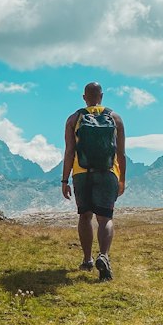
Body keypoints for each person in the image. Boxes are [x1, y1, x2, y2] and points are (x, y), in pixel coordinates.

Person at [61, 83, 125, 281]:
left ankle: (87, 259)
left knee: (85, 216)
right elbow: (121, 153)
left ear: (84, 97)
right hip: (107, 172)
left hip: (81, 173)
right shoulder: (115, 118)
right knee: (105, 218)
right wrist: (122, 178)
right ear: (102, 96)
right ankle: (103, 256)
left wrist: (65, 179)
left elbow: (70, 152)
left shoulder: (74, 118)